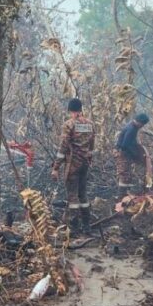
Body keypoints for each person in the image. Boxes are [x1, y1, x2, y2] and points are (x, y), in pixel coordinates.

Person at [51, 98, 95, 233]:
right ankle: (87, 226)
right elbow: (92, 145)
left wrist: (56, 168)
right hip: (85, 164)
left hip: (73, 164)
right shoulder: (90, 124)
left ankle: (74, 227)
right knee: (83, 194)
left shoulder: (69, 124)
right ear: (81, 109)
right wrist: (88, 158)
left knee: (72, 196)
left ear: (70, 110)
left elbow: (63, 147)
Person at [115, 113, 151, 195]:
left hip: (125, 153)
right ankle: (121, 196)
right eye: (142, 124)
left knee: (127, 174)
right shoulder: (131, 129)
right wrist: (134, 154)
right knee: (124, 175)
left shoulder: (132, 126)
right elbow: (125, 145)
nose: (142, 126)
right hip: (122, 153)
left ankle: (126, 193)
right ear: (139, 122)